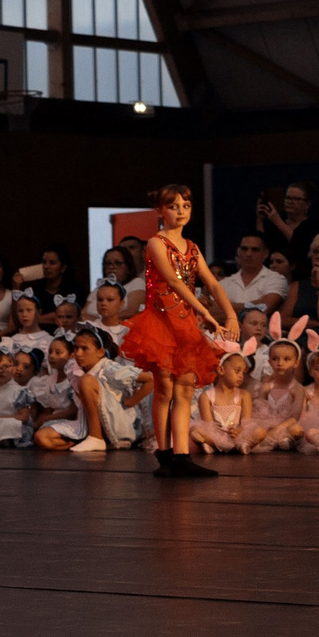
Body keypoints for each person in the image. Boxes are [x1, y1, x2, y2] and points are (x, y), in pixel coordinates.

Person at [118, 182, 239, 478]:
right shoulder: (157, 243)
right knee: (165, 389)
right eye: (173, 206)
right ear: (161, 211)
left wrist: (232, 315)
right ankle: (165, 453)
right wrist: (206, 313)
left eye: (185, 205)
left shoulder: (193, 248)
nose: (180, 211)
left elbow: (211, 282)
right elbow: (173, 282)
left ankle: (182, 454)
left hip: (184, 324)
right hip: (160, 323)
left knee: (184, 388)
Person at [240, 326, 308, 452]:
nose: (280, 363)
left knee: (297, 430)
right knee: (256, 430)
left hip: (287, 424)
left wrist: (278, 428)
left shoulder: (297, 388)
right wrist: (267, 427)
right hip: (267, 423)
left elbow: (295, 416)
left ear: (296, 363)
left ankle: (286, 440)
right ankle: (261, 442)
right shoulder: (267, 385)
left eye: (286, 359)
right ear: (270, 361)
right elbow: (260, 409)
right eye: (275, 359)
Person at [190, 350, 255, 455]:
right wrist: (219, 435)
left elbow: (246, 421)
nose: (241, 376)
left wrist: (238, 431)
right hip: (216, 434)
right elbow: (208, 424)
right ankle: (222, 445)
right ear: (221, 370)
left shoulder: (244, 395)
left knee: (260, 432)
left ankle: (222, 445)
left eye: (243, 372)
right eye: (237, 371)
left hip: (238, 435)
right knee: (195, 430)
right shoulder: (206, 396)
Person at [255, 181, 316, 278]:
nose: (290, 202)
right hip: (274, 275)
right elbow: (261, 245)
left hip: (302, 276)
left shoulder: (312, 225)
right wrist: (259, 219)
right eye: (288, 198)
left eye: (296, 199)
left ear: (307, 204)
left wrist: (277, 220)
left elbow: (301, 245)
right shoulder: (274, 225)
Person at [220, 233, 287, 314]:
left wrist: (226, 308)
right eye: (244, 249)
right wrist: (256, 305)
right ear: (238, 251)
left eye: (255, 249)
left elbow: (266, 307)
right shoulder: (224, 283)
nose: (248, 254)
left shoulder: (276, 279)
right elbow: (212, 312)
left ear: (266, 253)